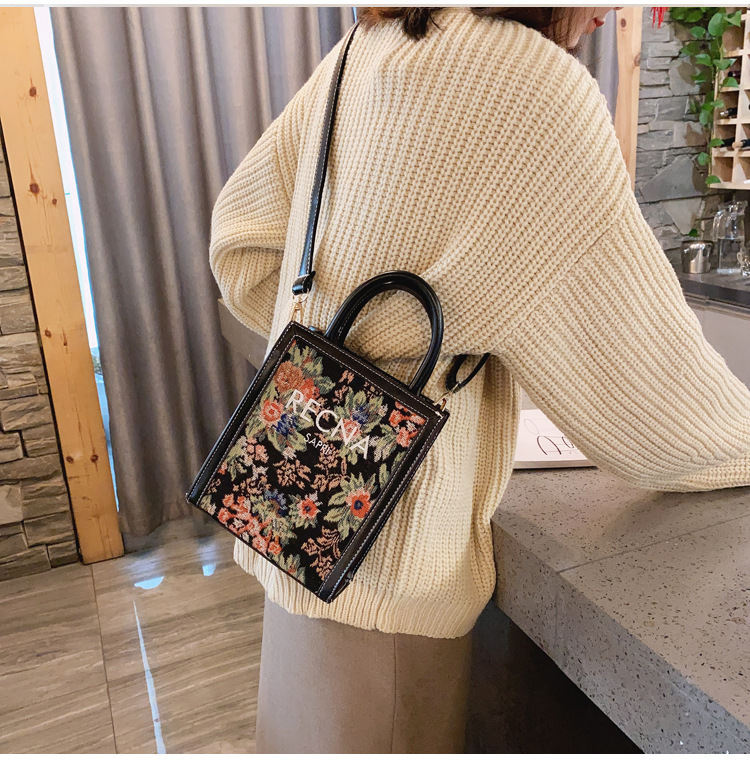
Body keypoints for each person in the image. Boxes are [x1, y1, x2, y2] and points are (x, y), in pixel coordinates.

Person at [207, 7, 750, 753]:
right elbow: (657, 399)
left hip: (295, 510)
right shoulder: (539, 89)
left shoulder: (364, 47)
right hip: (394, 572)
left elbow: (241, 245)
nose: (610, 12)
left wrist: (341, 358)